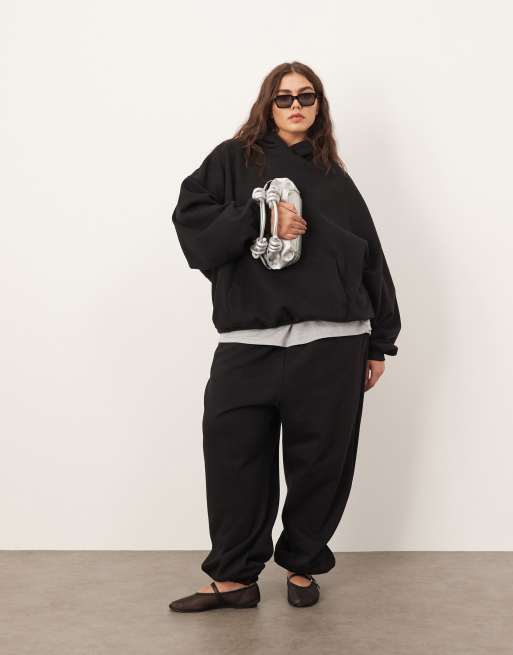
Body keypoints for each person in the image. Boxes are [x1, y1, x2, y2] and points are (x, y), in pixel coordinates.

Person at [169, 61, 401, 612]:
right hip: (249, 341)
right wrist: (262, 218)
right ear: (267, 105)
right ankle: (234, 578)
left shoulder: (333, 176)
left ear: (319, 106)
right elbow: (193, 226)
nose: (296, 106)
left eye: (307, 96)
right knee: (233, 458)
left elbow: (370, 258)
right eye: (284, 97)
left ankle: (302, 564)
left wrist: (379, 341)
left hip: (333, 342)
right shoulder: (232, 160)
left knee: (321, 463)